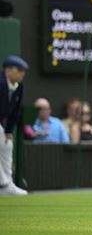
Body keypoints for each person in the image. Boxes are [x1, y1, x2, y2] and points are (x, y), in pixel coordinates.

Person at [0, 55, 28, 195]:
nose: (23, 74)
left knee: (7, 145)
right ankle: (3, 183)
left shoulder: (19, 86)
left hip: (1, 124)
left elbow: (16, 110)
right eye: (20, 70)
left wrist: (9, 131)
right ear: (9, 70)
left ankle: (7, 185)